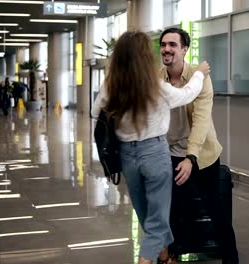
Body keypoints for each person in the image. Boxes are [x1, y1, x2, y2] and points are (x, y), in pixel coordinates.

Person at [91, 31, 210, 264]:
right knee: (157, 217)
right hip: (154, 153)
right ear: (144, 57)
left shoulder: (111, 85)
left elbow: (96, 113)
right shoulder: (154, 86)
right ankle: (147, 260)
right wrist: (198, 74)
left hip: (127, 156)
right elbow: (187, 95)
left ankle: (164, 256)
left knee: (145, 212)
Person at [159, 28, 239, 264]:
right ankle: (170, 257)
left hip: (202, 156)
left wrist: (190, 158)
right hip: (170, 155)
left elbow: (202, 120)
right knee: (171, 213)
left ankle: (231, 258)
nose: (166, 49)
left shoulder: (199, 75)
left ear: (184, 49)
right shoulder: (156, 77)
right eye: (163, 44)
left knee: (217, 212)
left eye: (173, 45)